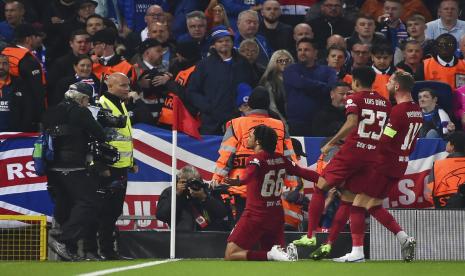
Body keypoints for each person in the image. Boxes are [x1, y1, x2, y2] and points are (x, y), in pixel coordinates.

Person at [314, 71, 423, 262]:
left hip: (383, 164)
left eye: (390, 82)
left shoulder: (398, 111)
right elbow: (412, 142)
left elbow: (384, 140)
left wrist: (366, 148)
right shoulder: (416, 110)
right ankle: (404, 238)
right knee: (373, 205)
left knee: (357, 205)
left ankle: (357, 253)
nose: (387, 85)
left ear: (397, 87)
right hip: (400, 163)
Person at [293, 66, 391, 250]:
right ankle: (329, 244)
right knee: (348, 199)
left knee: (320, 187)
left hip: (352, 151)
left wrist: (332, 142)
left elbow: (352, 122)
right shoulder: (385, 103)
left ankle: (311, 236)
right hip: (371, 155)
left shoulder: (354, 98)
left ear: (355, 81)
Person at [224, 124, 319, 261]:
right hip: (275, 215)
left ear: (258, 141)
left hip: (255, 215)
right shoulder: (282, 159)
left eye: (250, 136)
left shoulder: (255, 159)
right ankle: (278, 254)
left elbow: (250, 173)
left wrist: (240, 182)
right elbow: (302, 172)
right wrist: (326, 179)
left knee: (230, 254)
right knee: (275, 260)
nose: (248, 138)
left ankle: (271, 254)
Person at [211, 86, 296, 220]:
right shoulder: (280, 125)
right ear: (268, 104)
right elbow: (289, 156)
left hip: (242, 187)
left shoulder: (236, 124)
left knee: (243, 233)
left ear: (249, 104)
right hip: (271, 188)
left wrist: (217, 178)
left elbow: (226, 155)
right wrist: (291, 183)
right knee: (266, 233)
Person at [45, 82, 106, 261]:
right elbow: (100, 134)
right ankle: (63, 240)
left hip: (52, 167)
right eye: (87, 99)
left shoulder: (54, 110)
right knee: (90, 202)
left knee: (66, 205)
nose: (88, 103)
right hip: (72, 165)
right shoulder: (81, 111)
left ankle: (67, 250)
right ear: (82, 98)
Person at [95, 73, 138, 260]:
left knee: (114, 209)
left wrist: (132, 161)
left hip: (121, 164)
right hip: (108, 166)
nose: (127, 89)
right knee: (106, 209)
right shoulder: (101, 105)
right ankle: (102, 250)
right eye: (123, 85)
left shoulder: (121, 104)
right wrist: (100, 164)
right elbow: (96, 136)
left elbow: (124, 137)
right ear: (110, 86)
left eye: (128, 85)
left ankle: (107, 250)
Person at [185, 25, 253, 135]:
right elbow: (192, 91)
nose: (224, 43)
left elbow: (252, 86)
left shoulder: (243, 63)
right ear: (214, 45)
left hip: (239, 119)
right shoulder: (204, 65)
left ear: (232, 43)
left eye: (227, 40)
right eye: (220, 41)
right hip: (211, 122)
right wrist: (208, 107)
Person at [283, 37, 337, 136]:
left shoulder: (328, 71)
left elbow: (331, 88)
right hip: (296, 123)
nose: (302, 53)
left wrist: (305, 83)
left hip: (322, 122)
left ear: (315, 52)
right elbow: (299, 83)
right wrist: (321, 85)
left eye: (306, 50)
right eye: (300, 50)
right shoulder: (290, 70)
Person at [156, 165, 230, 231]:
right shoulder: (171, 192)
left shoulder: (207, 191)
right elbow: (161, 216)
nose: (191, 185)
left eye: (195, 182)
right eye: (187, 182)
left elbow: (222, 213)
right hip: (182, 238)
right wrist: (177, 194)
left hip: (208, 237)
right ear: (179, 181)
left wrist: (204, 198)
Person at [2, 23, 46, 131]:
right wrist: (41, 117)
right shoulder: (28, 60)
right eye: (36, 37)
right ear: (28, 39)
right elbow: (37, 91)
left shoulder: (4, 53)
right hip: (25, 113)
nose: (39, 40)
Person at [426, 131, 465, 208]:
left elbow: (430, 192)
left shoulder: (438, 165)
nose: (446, 143)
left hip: (444, 209)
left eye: (448, 142)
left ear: (452, 147)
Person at [47, 29, 91, 95]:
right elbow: (52, 88)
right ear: (71, 44)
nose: (83, 45)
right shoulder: (60, 63)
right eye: (79, 42)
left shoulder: (96, 61)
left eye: (86, 42)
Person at [259, 49, 294, 124]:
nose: (284, 63)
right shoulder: (269, 82)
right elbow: (272, 107)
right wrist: (283, 122)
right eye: (280, 61)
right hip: (277, 120)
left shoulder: (296, 79)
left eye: (287, 60)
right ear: (274, 63)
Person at [0, 53, 31, 131]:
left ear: (9, 65)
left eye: (4, 63)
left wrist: (22, 130)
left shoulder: (20, 83)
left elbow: (28, 108)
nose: (1, 67)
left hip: (14, 135)